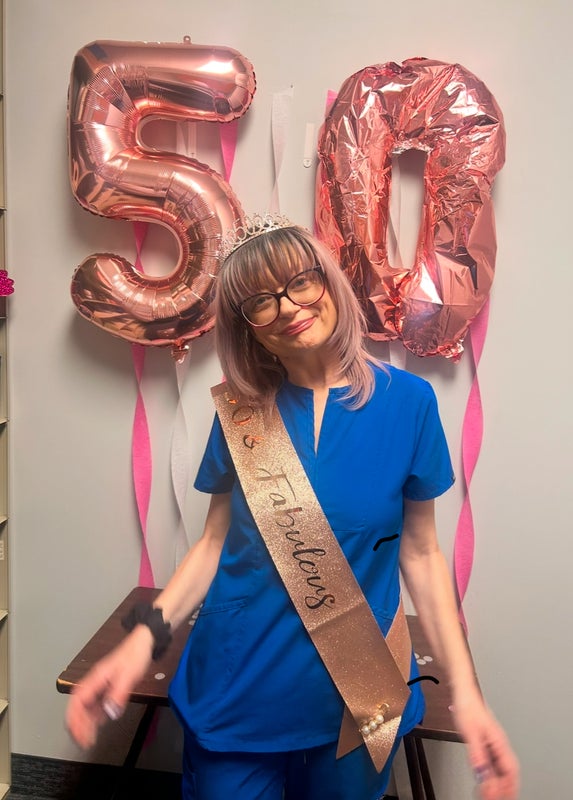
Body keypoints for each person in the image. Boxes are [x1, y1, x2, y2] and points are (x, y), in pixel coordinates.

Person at [66, 215, 519, 800]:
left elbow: (422, 554)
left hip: (359, 701)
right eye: (260, 301)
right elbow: (213, 545)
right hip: (238, 689)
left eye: (300, 281)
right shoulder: (241, 410)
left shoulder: (410, 403)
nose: (287, 307)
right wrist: (139, 642)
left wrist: (468, 697)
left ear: (327, 281)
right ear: (247, 328)